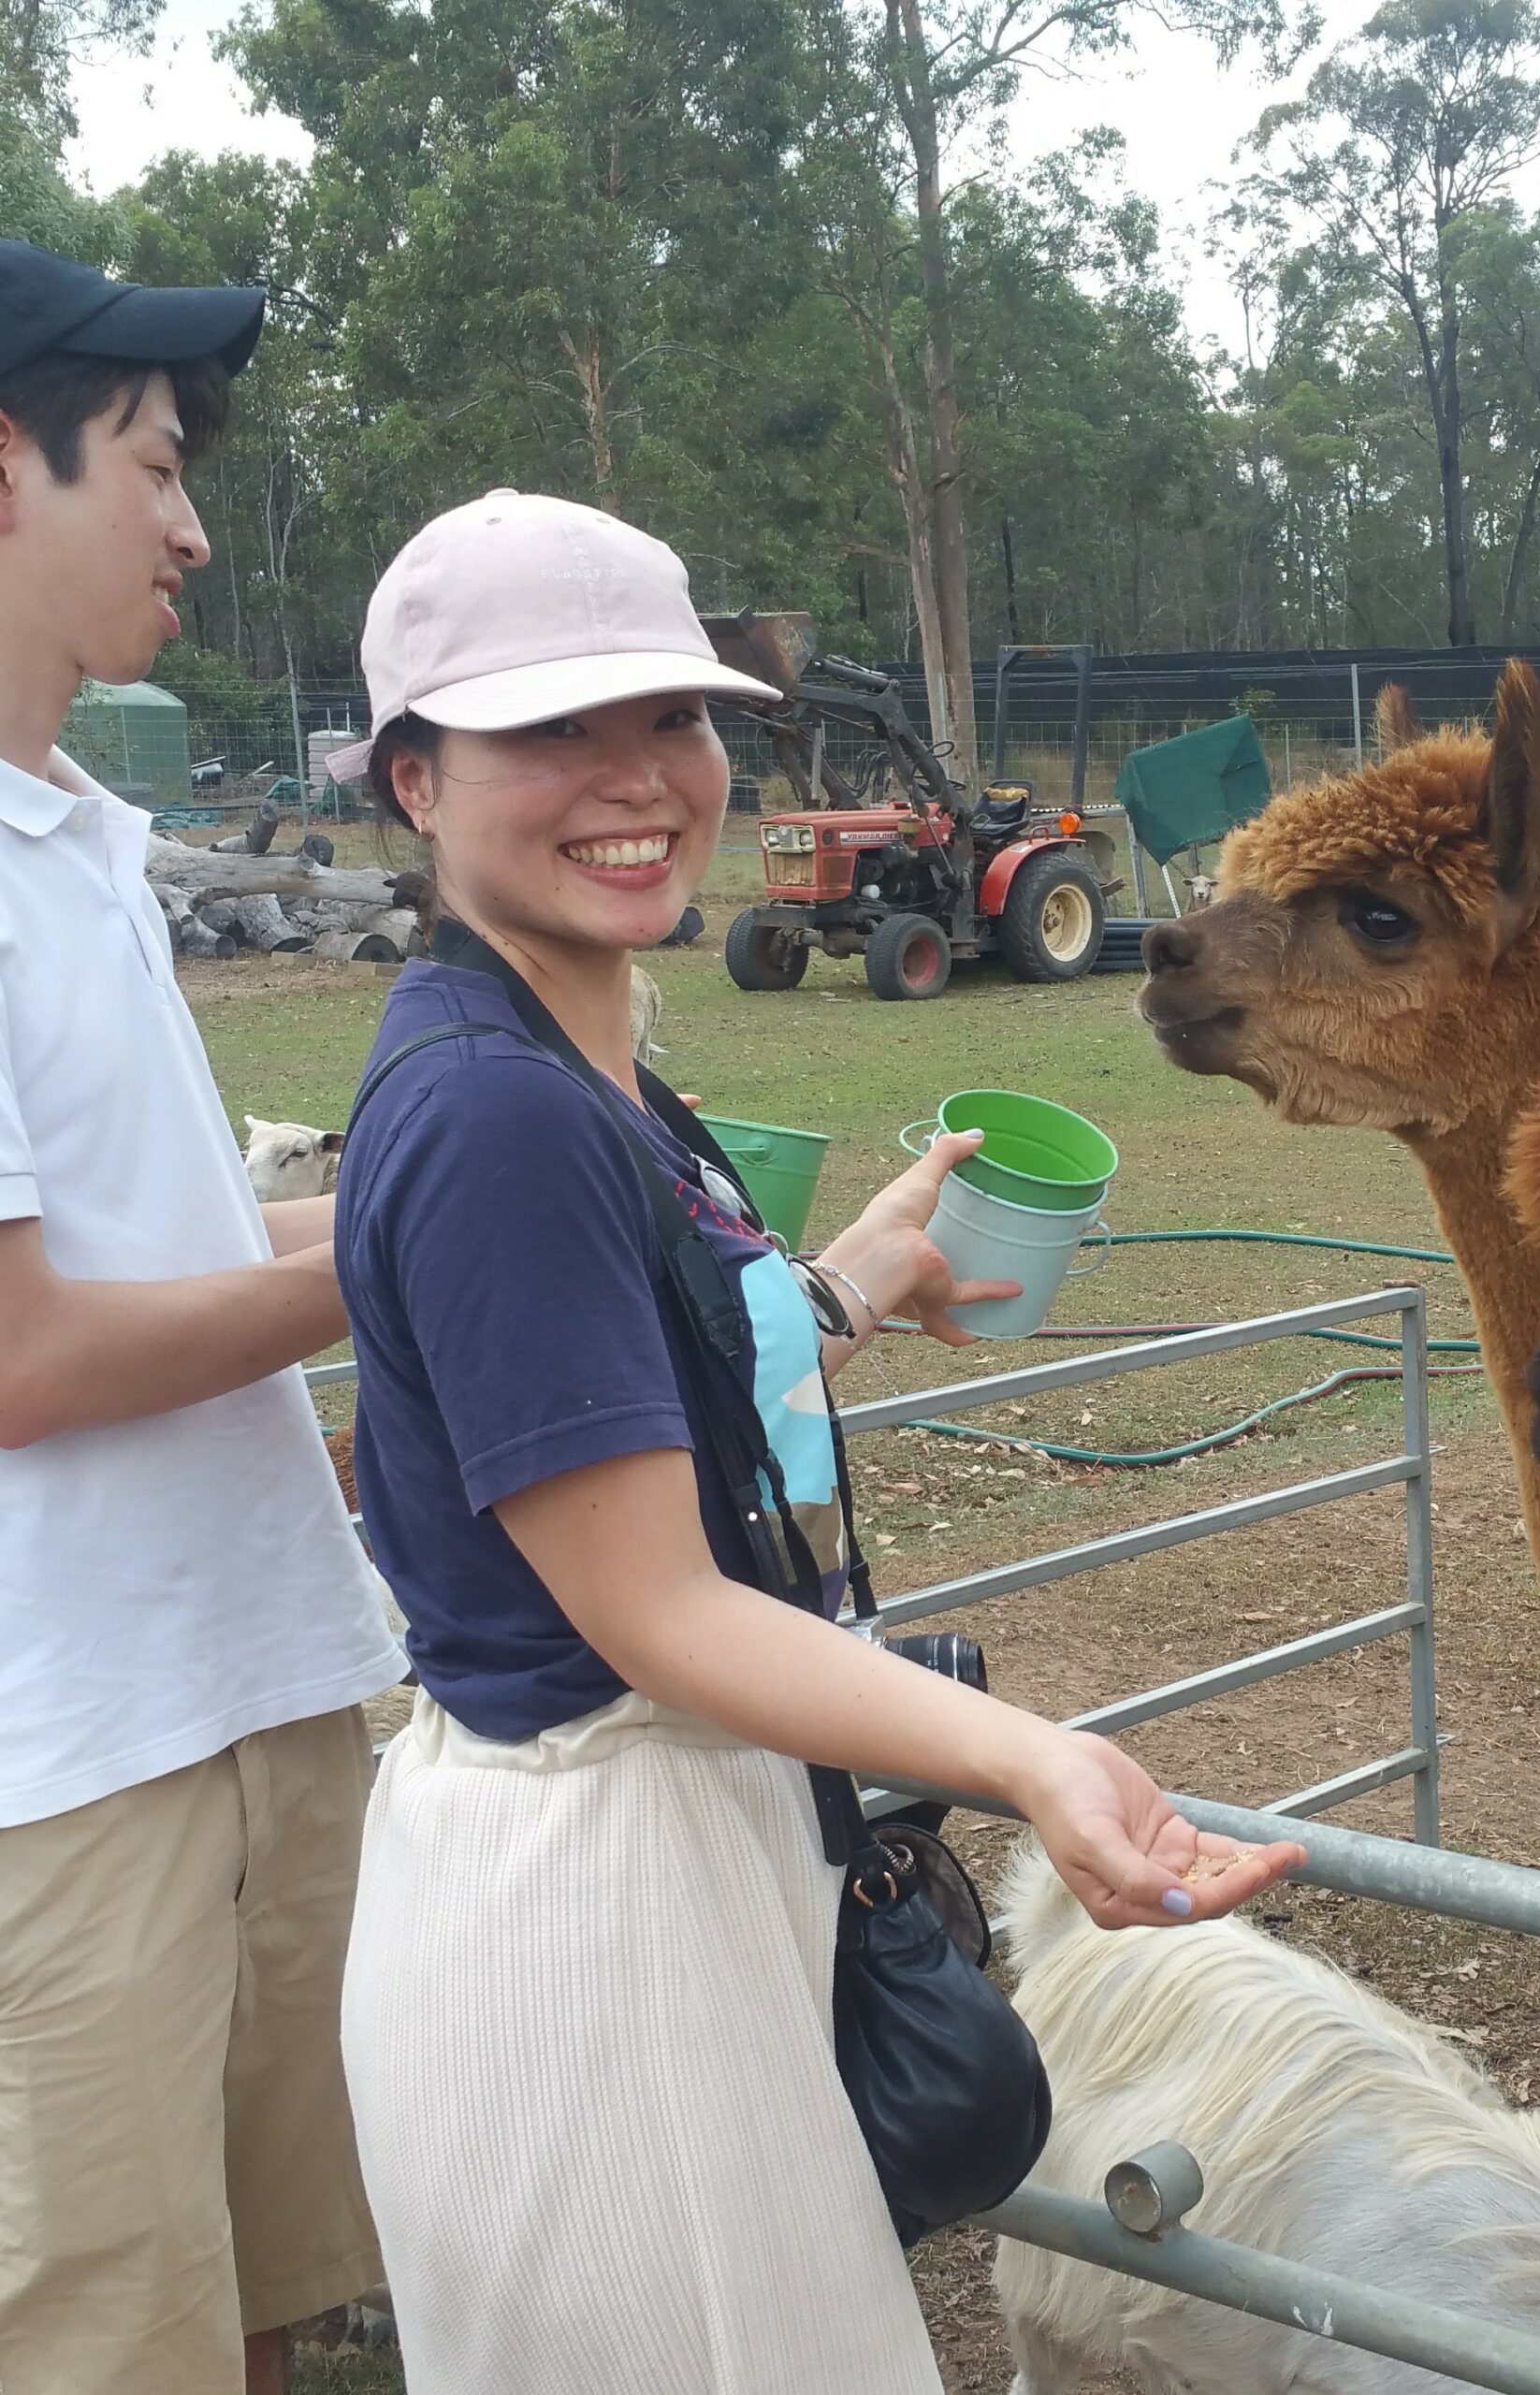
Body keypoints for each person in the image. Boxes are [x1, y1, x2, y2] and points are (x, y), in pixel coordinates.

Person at [329, 488, 1302, 2393]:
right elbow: (657, 1609)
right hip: (598, 1896)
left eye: (671, 718)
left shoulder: (576, 1051)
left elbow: (627, 1402)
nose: (638, 779)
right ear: (415, 778)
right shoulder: (496, 1111)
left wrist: (826, 1294)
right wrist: (1032, 1755)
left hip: (671, 1837)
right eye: (551, 730)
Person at [0, 242, 410, 2394]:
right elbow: (24, 1357)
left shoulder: (71, 836)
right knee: (105, 2335)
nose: (190, 523)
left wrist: (464, 1177)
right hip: (63, 1769)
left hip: (253, 1677)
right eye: (153, 468)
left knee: (265, 2304)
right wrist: (400, 1248)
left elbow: (163, 1235)